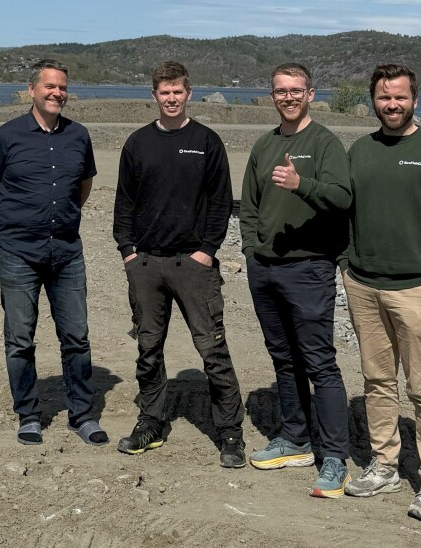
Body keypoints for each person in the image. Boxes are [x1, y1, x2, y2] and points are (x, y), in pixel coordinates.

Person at [341, 64, 421, 522]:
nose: (391, 105)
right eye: (383, 97)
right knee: (378, 381)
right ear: (373, 101)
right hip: (363, 285)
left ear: (415, 100)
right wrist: (346, 264)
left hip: (417, 289)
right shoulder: (360, 150)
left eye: (399, 97)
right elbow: (343, 210)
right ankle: (384, 465)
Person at [112, 61, 246, 468]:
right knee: (148, 348)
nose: (171, 99)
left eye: (178, 92)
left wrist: (207, 249)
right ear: (153, 95)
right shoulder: (137, 143)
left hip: (193, 263)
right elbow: (125, 201)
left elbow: (222, 202)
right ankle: (151, 421)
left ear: (189, 93)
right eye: (164, 92)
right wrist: (128, 252)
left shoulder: (206, 141)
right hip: (147, 263)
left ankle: (230, 431)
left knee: (212, 349)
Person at [0, 59, 108, 447]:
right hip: (19, 253)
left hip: (66, 252)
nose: (57, 93)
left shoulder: (79, 136)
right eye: (49, 86)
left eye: (63, 87)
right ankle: (29, 415)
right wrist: (14, 225)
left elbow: (81, 188)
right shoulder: (7, 136)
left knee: (77, 337)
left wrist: (58, 219)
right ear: (31, 90)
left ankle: (82, 414)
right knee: (20, 338)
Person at [239, 63, 352, 498]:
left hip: (309, 268)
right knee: (283, 359)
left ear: (310, 94)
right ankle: (295, 439)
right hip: (264, 269)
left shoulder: (324, 142)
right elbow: (247, 206)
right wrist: (251, 249)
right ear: (272, 95)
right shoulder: (264, 146)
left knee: (319, 363)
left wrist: (302, 184)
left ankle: (335, 457)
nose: (288, 97)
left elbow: (342, 199)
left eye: (295, 90)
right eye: (280, 91)